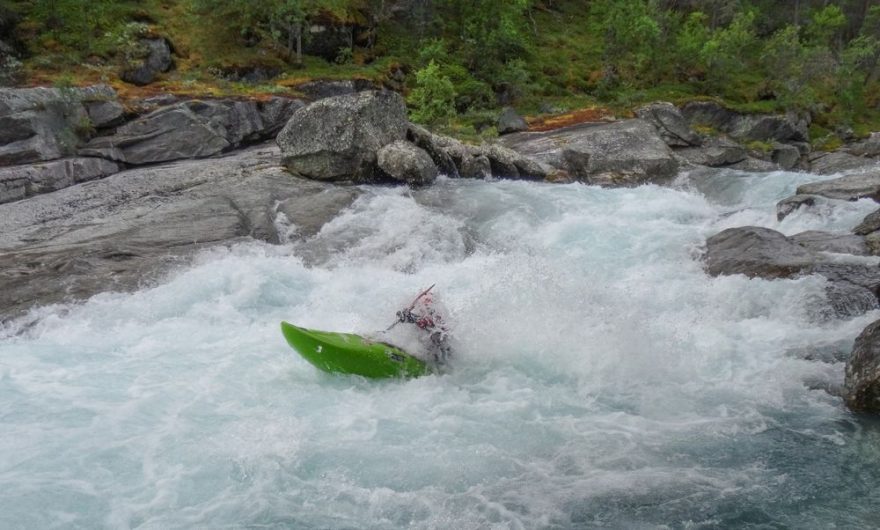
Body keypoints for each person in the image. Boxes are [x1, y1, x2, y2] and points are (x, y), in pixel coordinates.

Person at [395, 286, 452, 365]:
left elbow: (425, 322)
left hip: (443, 356)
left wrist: (409, 317)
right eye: (423, 306)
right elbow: (419, 320)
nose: (425, 308)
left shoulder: (437, 316)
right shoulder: (421, 313)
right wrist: (405, 317)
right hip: (430, 352)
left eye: (427, 305)